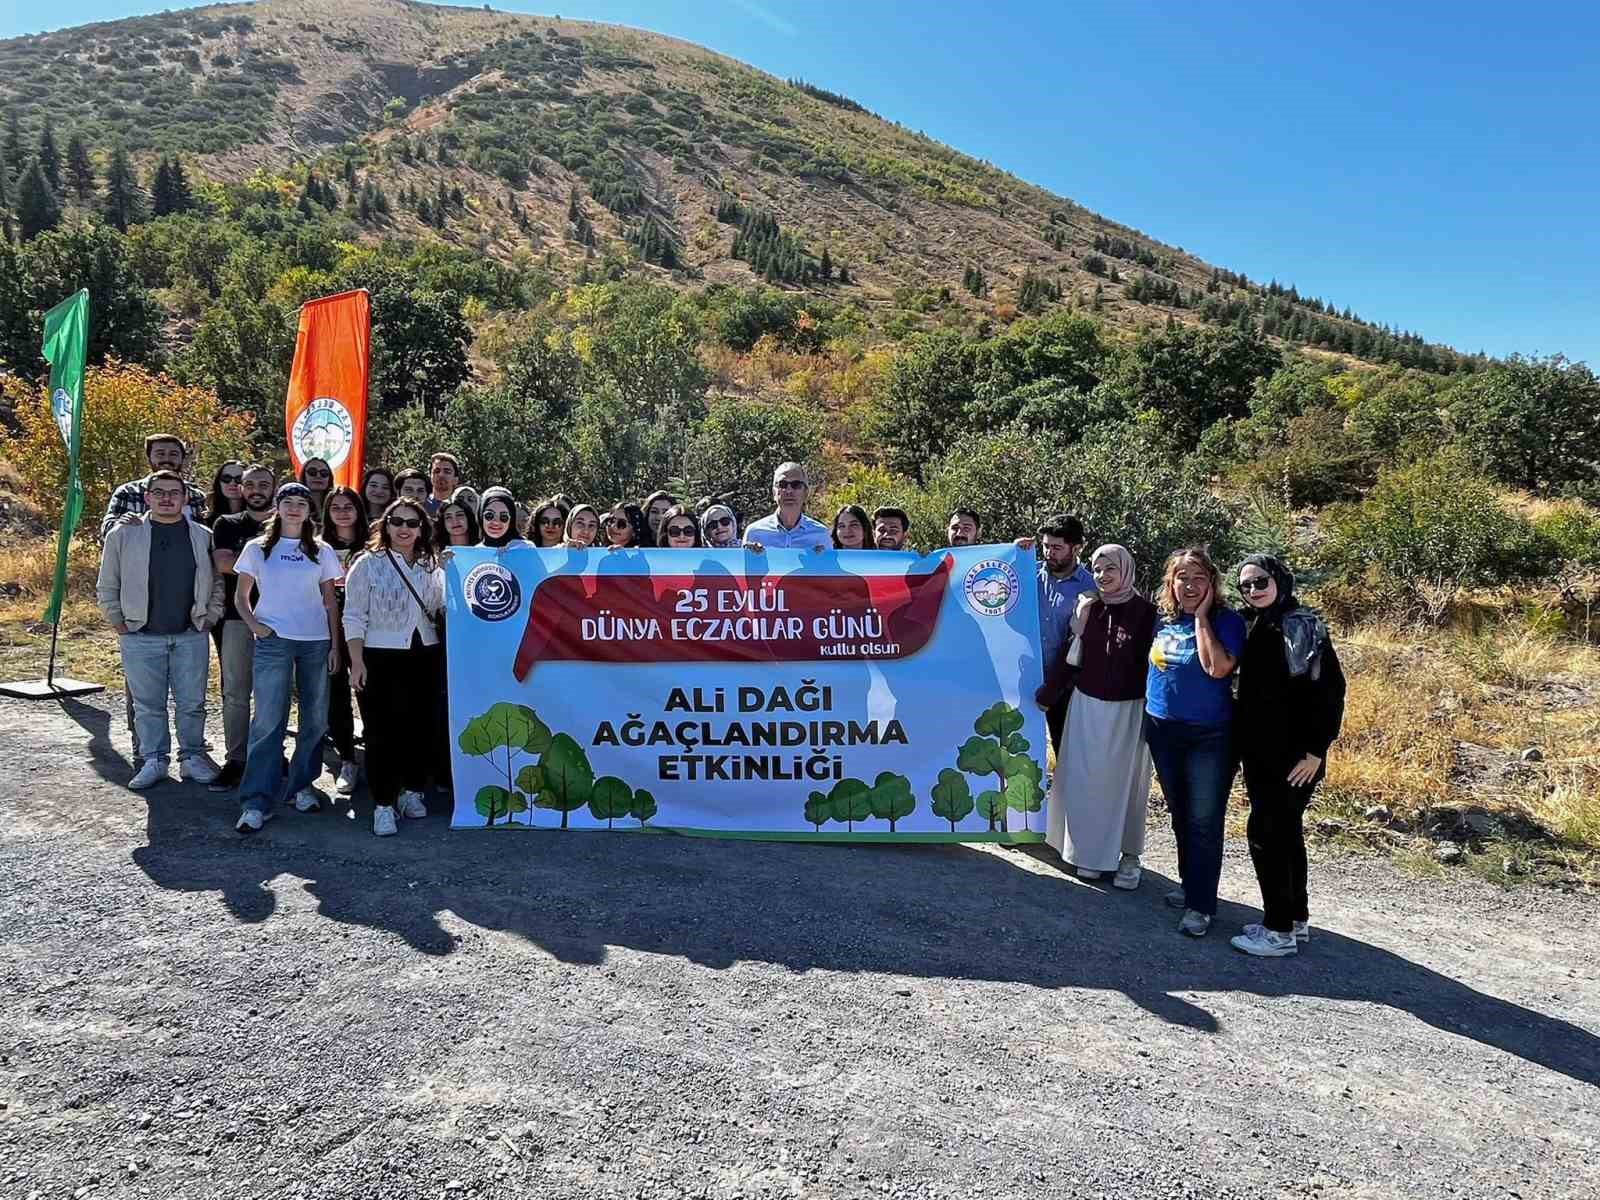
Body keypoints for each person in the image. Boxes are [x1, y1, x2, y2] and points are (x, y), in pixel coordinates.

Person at [1229, 555, 1346, 958]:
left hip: (1293, 755)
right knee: (1286, 833)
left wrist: (1316, 750)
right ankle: (1295, 918)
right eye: (1246, 585)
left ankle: (1277, 932)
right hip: (1262, 751)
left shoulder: (1301, 625)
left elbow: (1330, 692)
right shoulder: (1259, 622)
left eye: (1261, 581)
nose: (1253, 590)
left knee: (1267, 835)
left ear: (1280, 580)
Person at [95, 470, 224, 790]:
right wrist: (117, 620)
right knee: (147, 705)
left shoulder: (203, 535)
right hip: (140, 634)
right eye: (159, 492)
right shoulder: (123, 535)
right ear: (147, 497)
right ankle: (154, 760)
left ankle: (192, 757)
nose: (167, 498)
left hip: (190, 633)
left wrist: (210, 616)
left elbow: (217, 582)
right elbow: (108, 583)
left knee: (192, 703)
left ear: (185, 498)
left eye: (174, 492)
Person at [1143, 547, 1247, 938]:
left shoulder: (1227, 621)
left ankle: (1201, 906)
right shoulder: (1163, 620)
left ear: (1212, 583)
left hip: (1209, 735)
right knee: (1180, 813)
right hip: (1163, 729)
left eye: (1198, 578)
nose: (1189, 585)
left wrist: (1202, 617)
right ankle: (1191, 887)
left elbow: (1217, 668)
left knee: (1204, 820)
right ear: (1170, 583)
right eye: (1182, 578)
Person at [1044, 545, 1158, 888]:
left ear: (1126, 570)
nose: (1102, 576)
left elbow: (1156, 666)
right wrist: (1049, 693)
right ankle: (1084, 854)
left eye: (1110, 569)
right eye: (1097, 569)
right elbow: (1072, 656)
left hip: (1129, 710)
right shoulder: (1088, 609)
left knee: (1125, 786)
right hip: (1086, 708)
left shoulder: (1147, 614)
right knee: (1084, 782)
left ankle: (1128, 857)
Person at [232, 483, 344, 833]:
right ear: (277, 507)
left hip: (315, 642)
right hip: (274, 641)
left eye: (301, 503)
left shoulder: (321, 550)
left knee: (314, 720)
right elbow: (241, 597)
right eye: (288, 502)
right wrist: (256, 626)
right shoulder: (257, 548)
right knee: (268, 720)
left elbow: (330, 602)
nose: (294, 508)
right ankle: (256, 801)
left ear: (310, 511)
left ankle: (301, 787)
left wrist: (335, 645)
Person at [344, 499, 444, 837]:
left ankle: (411, 791)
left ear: (422, 528)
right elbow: (353, 615)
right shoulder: (367, 564)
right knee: (381, 733)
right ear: (385, 525)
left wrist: (454, 570)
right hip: (379, 656)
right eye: (397, 521)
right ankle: (383, 804)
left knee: (420, 727)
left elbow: (444, 604)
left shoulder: (432, 565)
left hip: (425, 654)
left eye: (412, 523)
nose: (404, 528)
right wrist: (356, 661)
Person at [207, 464, 276, 792]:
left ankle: (270, 754)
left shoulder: (288, 521)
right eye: (250, 484)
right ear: (242, 489)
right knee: (236, 692)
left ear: (274, 487)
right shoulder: (227, 523)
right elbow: (222, 563)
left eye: (264, 484)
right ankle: (236, 759)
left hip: (281, 620)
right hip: (237, 618)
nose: (256, 490)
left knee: (272, 694)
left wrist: (245, 562)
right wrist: (273, 564)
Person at [1023, 515, 1095, 753]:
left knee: (1066, 749)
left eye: (1056, 548)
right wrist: (1012, 553)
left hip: (1066, 685)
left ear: (1076, 548)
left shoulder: (1091, 586)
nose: (1049, 553)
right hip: (1024, 678)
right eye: (1045, 546)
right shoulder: (1026, 575)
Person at [322, 487, 370, 800]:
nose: (342, 512)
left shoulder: (373, 544)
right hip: (328, 628)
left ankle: (377, 758)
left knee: (369, 691)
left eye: (348, 506)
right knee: (335, 694)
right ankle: (347, 760)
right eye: (335, 507)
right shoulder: (317, 546)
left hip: (368, 629)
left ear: (358, 510)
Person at [101, 433, 206, 536]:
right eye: (160, 454)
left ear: (182, 458)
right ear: (149, 458)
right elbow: (107, 529)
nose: (167, 459)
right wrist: (122, 524)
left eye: (173, 454)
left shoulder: (196, 496)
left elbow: (208, 534)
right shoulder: (128, 492)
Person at [743, 462, 831, 551]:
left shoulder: (821, 535)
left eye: (796, 485)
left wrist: (821, 557)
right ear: (774, 493)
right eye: (782, 485)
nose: (789, 491)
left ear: (806, 493)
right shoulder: (754, 533)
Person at [206, 460, 245, 526]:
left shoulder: (258, 517)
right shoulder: (205, 519)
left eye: (239, 479)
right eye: (226, 478)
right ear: (219, 482)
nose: (232, 483)